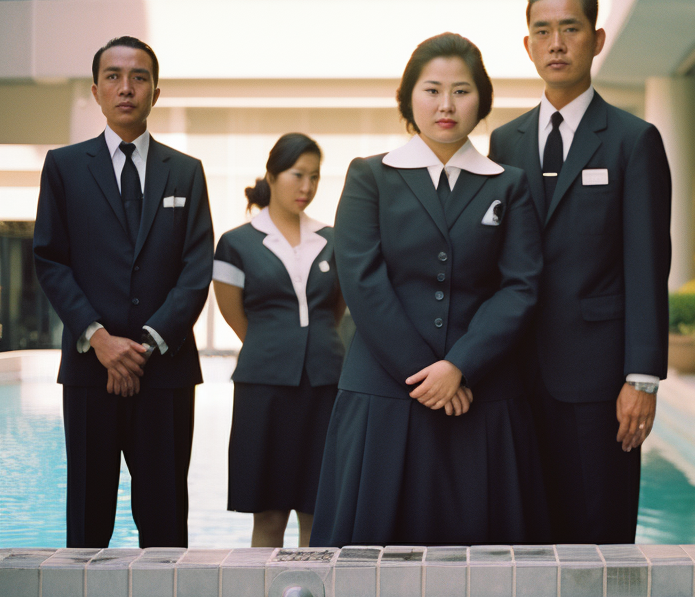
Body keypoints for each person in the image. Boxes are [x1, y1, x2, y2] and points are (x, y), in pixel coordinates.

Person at [310, 32, 546, 547]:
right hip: (384, 393)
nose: (446, 105)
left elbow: (520, 286)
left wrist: (459, 367)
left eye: (461, 91)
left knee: (485, 564)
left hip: (481, 394)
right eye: (432, 89)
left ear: (481, 99)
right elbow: (362, 279)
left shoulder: (509, 183)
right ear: (408, 98)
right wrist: (429, 376)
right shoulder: (369, 175)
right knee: (371, 558)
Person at [488, 0, 672, 544]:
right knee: (524, 534)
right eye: (542, 31)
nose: (556, 44)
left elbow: (648, 265)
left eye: (570, 29)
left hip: (598, 382)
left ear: (596, 38)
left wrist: (642, 378)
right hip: (514, 378)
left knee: (600, 537)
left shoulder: (632, 140)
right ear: (527, 45)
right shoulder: (503, 143)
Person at [33, 36, 214, 549]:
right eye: (113, 76)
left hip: (166, 372)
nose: (126, 87)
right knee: (88, 521)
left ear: (156, 91)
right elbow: (50, 259)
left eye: (138, 77)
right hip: (91, 369)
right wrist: (100, 338)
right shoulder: (64, 167)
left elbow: (196, 269)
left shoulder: (186, 171)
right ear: (96, 90)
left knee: (165, 521)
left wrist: (149, 341)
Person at [213, 134, 344, 547]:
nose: (306, 187)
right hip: (263, 389)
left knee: (317, 509)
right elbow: (235, 315)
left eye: (315, 177)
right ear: (272, 175)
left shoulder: (333, 239)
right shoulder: (236, 243)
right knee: (268, 513)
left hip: (324, 385)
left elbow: (336, 310)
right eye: (297, 175)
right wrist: (276, 346)